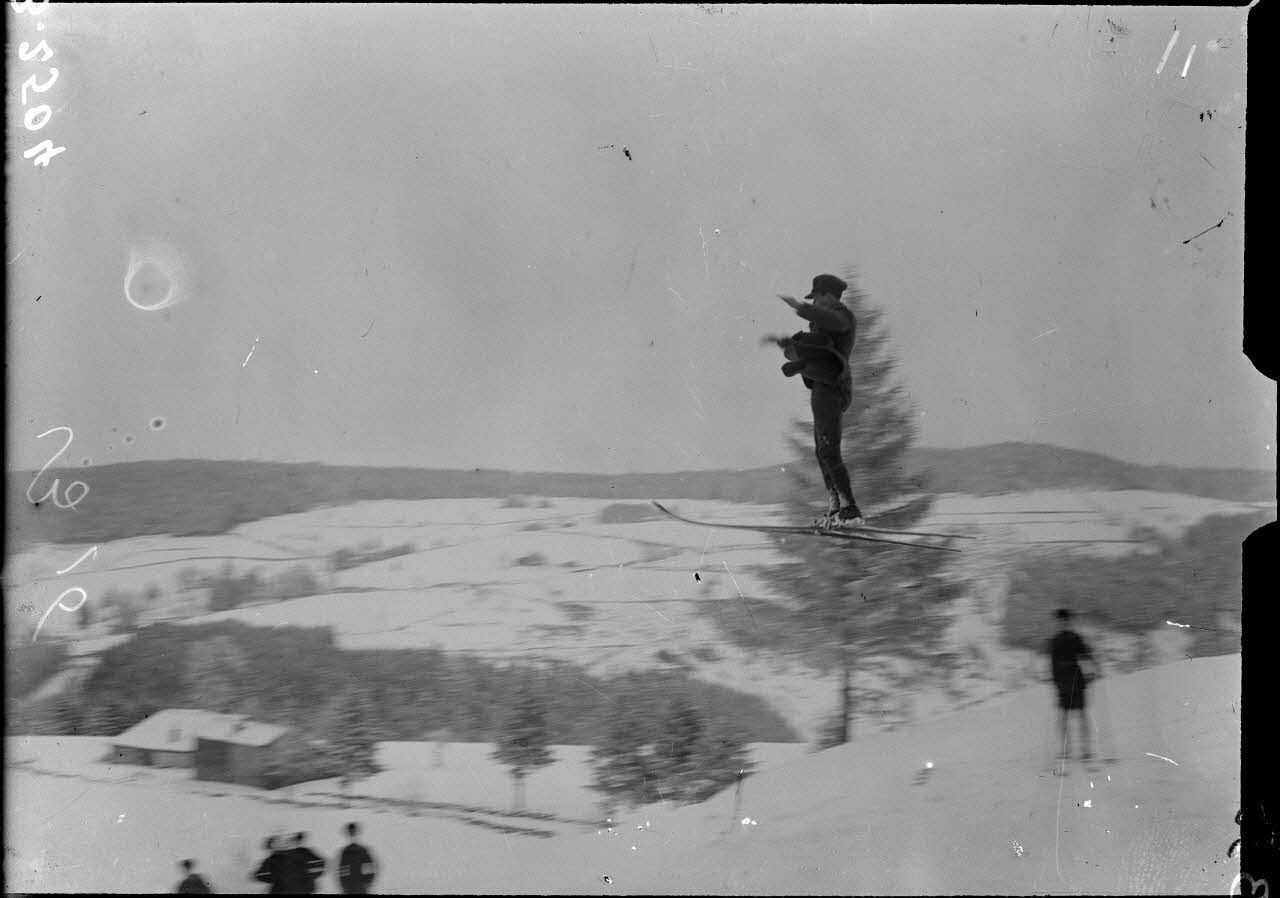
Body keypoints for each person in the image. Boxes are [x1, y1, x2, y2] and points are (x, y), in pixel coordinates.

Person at [763, 273, 864, 527]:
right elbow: (816, 348)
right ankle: (835, 508)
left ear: (829, 296)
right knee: (822, 452)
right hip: (821, 386)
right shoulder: (823, 322)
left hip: (833, 386)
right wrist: (788, 346)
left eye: (816, 297)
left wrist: (800, 307)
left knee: (829, 450)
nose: (815, 302)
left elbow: (830, 324)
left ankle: (850, 509)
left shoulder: (842, 316)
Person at [1048, 608, 1100, 764]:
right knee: (1068, 716)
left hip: (1071, 680)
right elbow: (1053, 664)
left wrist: (1094, 665)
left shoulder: (1065, 639)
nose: (1063, 623)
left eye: (1065, 620)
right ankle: (1071, 750)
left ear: (1067, 622)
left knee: (1078, 715)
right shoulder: (1065, 639)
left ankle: (1083, 750)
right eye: (1061, 621)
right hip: (1070, 681)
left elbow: (1086, 655)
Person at [337, 821, 379, 894]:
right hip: (354, 889)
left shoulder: (359, 851)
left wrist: (366, 883)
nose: (352, 834)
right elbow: (342, 872)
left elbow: (370, 869)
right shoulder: (346, 852)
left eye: (353, 832)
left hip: (356, 888)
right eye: (351, 832)